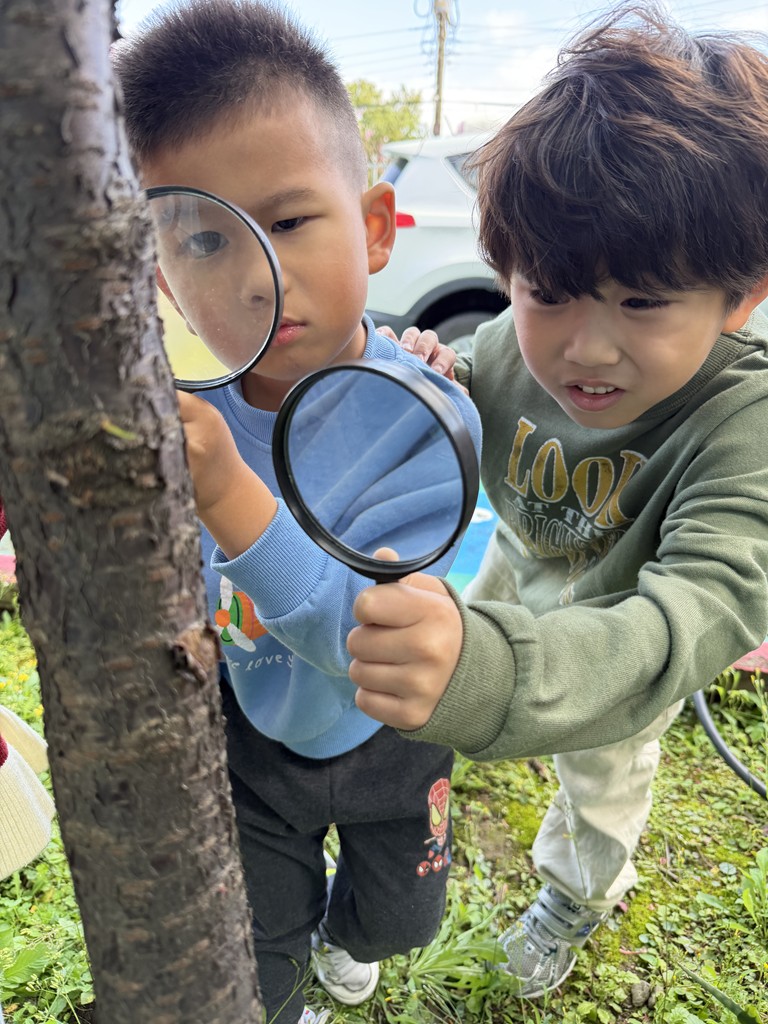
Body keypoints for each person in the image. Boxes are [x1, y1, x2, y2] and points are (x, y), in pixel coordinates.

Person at [346, 1, 768, 999]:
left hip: (622, 622)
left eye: (642, 301)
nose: (586, 347)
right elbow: (464, 401)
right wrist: (427, 381)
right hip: (519, 560)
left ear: (743, 294)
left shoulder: (742, 423)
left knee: (601, 780)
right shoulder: (507, 344)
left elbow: (693, 610)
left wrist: (493, 676)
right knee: (439, 679)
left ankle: (576, 896)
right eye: (548, 290)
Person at [111, 5, 481, 1024]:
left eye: (285, 223)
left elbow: (363, 635)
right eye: (203, 239)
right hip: (252, 737)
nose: (251, 275)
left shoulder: (429, 417)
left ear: (374, 228)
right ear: (162, 275)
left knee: (399, 921)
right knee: (257, 946)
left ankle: (347, 937)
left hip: (392, 741)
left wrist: (227, 492)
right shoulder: (175, 409)